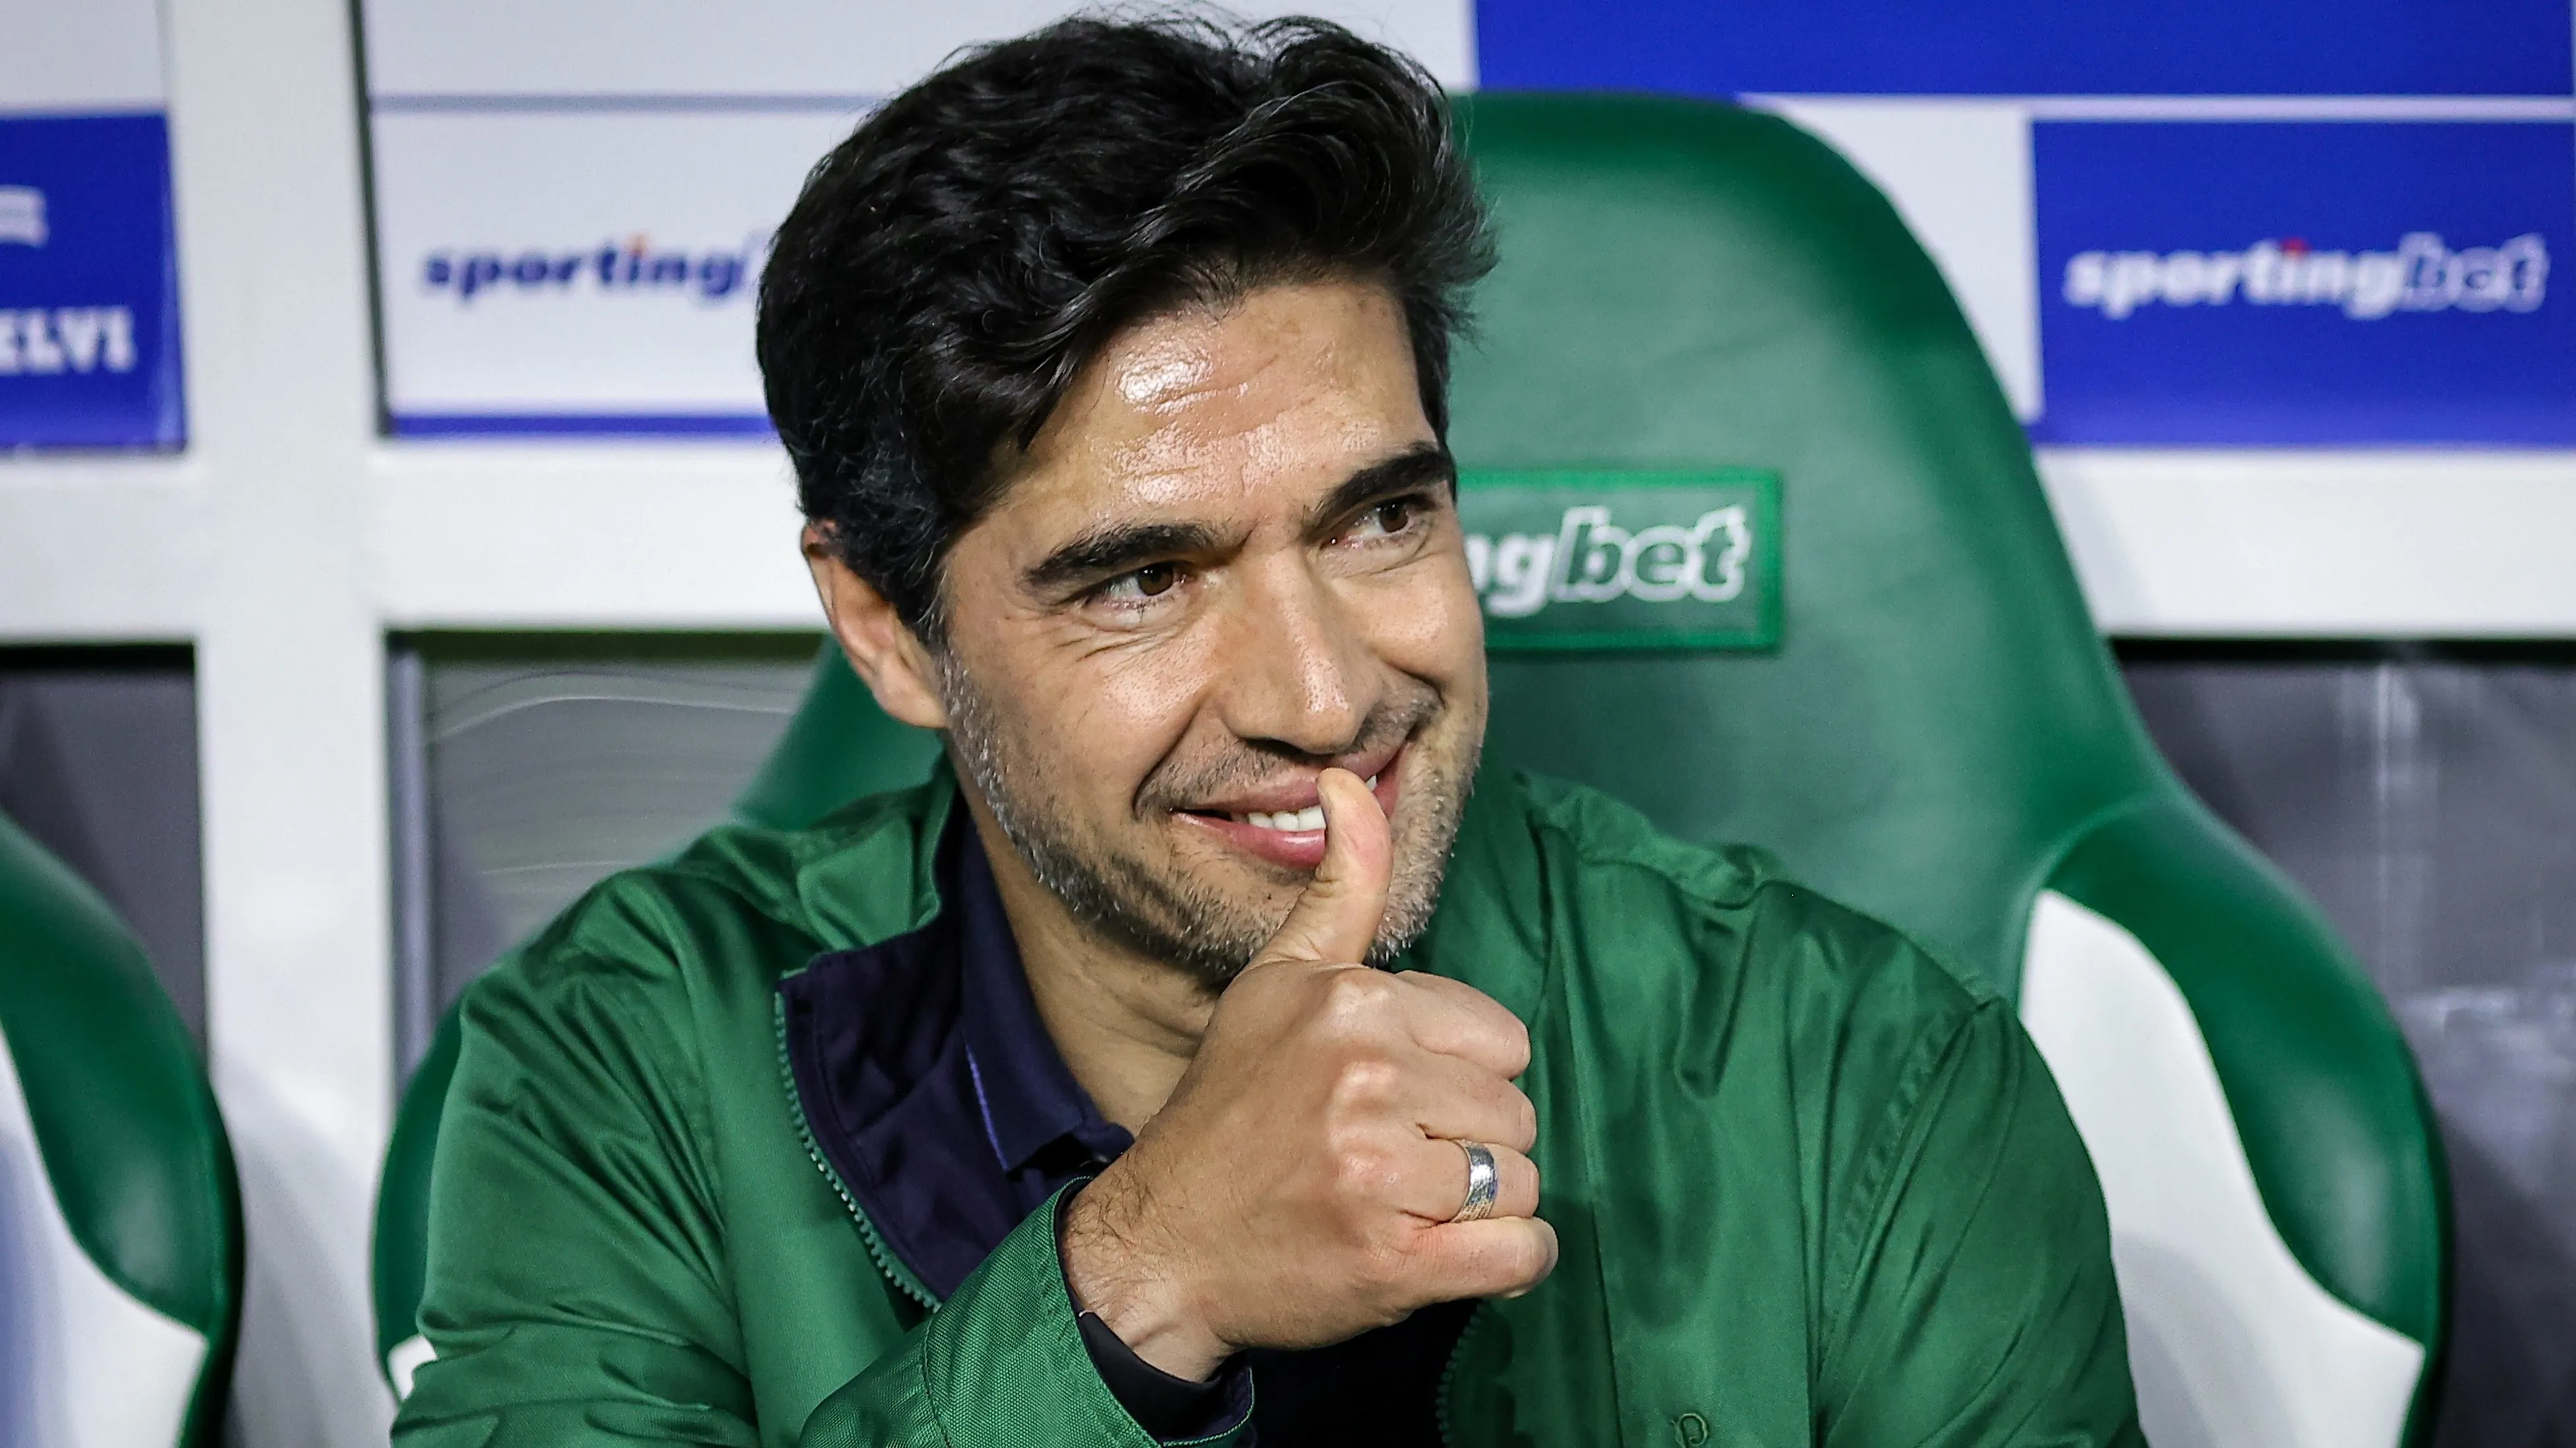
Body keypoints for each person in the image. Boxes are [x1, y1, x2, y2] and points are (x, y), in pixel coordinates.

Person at [391, 16, 2144, 1447]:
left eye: (1378, 519)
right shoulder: (619, 1070)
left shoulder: (1867, 1083)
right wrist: (1143, 1280)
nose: (1321, 698)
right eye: (1145, 578)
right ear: (886, 626)